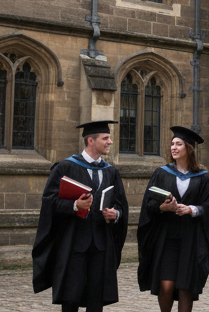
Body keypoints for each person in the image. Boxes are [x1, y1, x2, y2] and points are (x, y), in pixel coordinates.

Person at [32, 120, 129, 312]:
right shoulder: (66, 167)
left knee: (96, 298)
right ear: (90, 140)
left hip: (101, 244)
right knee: (71, 296)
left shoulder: (110, 171)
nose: (110, 142)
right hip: (74, 243)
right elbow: (49, 201)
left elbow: (121, 205)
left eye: (109, 138)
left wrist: (115, 213)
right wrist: (75, 205)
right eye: (106, 138)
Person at [137, 126, 209, 312]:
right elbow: (148, 204)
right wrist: (162, 207)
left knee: (185, 286)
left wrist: (191, 209)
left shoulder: (205, 178)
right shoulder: (162, 173)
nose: (173, 147)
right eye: (172, 144)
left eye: (178, 144)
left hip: (191, 239)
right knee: (166, 286)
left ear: (188, 148)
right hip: (167, 238)